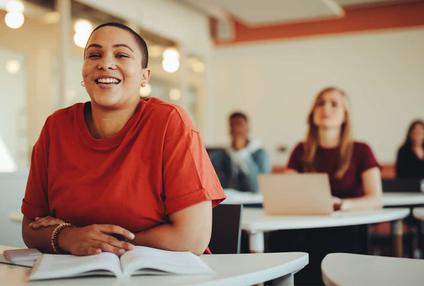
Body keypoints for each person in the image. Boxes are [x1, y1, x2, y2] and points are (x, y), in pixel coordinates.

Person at [21, 22, 225, 256]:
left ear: (144, 76)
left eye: (121, 55)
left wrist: (96, 243)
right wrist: (68, 237)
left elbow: (192, 238)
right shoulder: (56, 127)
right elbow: (31, 228)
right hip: (75, 276)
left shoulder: (170, 122)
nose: (105, 63)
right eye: (94, 55)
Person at [287, 87, 382, 210]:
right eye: (320, 103)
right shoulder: (300, 149)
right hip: (309, 223)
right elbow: (288, 194)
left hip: (350, 224)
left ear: (345, 116)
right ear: (313, 113)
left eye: (334, 104)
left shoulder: (362, 150)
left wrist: (342, 204)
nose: (325, 108)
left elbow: (376, 200)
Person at [210, 112, 270, 193]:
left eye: (240, 125)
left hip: (254, 202)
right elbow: (217, 186)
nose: (236, 129)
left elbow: (257, 187)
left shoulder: (260, 154)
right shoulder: (220, 156)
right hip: (229, 201)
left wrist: (241, 153)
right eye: (233, 125)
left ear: (248, 129)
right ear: (229, 130)